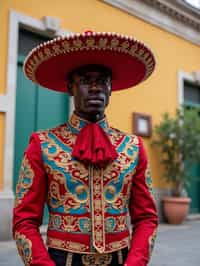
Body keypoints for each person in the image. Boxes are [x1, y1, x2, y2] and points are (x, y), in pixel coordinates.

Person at [13, 31, 158, 266]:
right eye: (84, 80)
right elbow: (24, 221)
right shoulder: (43, 145)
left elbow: (146, 218)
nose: (94, 88)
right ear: (70, 87)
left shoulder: (133, 147)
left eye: (102, 81)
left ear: (111, 89)